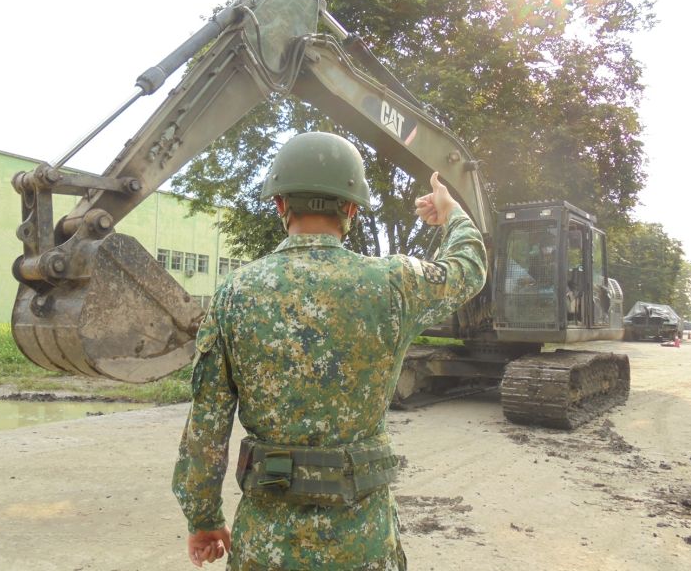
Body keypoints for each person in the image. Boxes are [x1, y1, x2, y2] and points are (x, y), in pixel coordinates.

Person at [172, 132, 487, 569]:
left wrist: (203, 516)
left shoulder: (235, 293)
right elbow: (468, 268)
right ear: (352, 208)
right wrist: (451, 214)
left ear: (281, 204)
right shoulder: (394, 283)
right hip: (365, 545)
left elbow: (206, 426)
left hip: (267, 547)